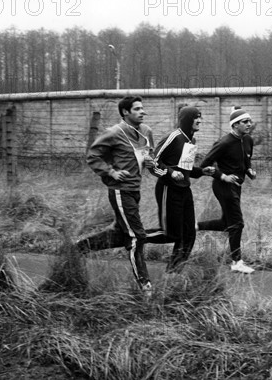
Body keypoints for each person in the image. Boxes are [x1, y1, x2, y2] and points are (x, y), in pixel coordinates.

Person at [76, 96, 155, 293]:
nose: (142, 112)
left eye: (142, 108)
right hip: (120, 191)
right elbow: (93, 156)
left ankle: (77, 249)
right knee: (137, 237)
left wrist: (150, 163)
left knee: (119, 233)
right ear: (125, 112)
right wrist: (111, 172)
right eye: (137, 109)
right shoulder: (114, 133)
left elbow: (148, 156)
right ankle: (145, 286)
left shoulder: (146, 132)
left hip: (135, 190)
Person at [146, 106, 214, 273]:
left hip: (184, 190)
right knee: (171, 234)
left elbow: (186, 169)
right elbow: (152, 163)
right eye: (196, 117)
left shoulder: (191, 141)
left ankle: (173, 274)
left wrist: (202, 171)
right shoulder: (173, 137)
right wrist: (170, 172)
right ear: (186, 120)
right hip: (168, 189)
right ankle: (135, 236)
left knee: (189, 234)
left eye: (200, 117)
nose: (200, 121)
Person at [197, 106, 256, 274]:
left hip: (236, 187)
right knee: (237, 223)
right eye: (245, 122)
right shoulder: (224, 143)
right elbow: (204, 165)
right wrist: (223, 176)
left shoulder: (248, 140)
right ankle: (236, 262)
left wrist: (249, 171)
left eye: (249, 121)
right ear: (235, 125)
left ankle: (192, 226)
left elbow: (246, 160)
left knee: (226, 224)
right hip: (223, 186)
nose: (249, 124)